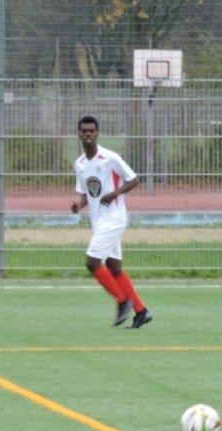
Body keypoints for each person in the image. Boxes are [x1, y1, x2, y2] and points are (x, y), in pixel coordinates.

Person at [71, 115, 152, 329]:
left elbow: (134, 179)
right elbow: (86, 193)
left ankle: (122, 301)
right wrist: (78, 204)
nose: (88, 134)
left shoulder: (110, 157)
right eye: (84, 131)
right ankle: (141, 311)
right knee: (114, 267)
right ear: (79, 134)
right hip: (98, 221)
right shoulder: (80, 164)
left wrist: (115, 193)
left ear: (97, 133)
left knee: (92, 262)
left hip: (114, 218)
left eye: (92, 131)